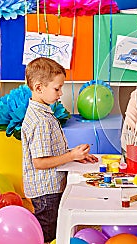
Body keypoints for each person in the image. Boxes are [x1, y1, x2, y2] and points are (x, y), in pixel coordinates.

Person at [21, 57, 98, 242]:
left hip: (47, 188)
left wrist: (74, 156)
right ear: (39, 88)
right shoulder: (41, 121)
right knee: (50, 234)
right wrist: (71, 155)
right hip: (46, 190)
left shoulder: (43, 113)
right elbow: (39, 162)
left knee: (54, 228)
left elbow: (50, 151)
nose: (61, 93)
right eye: (57, 88)